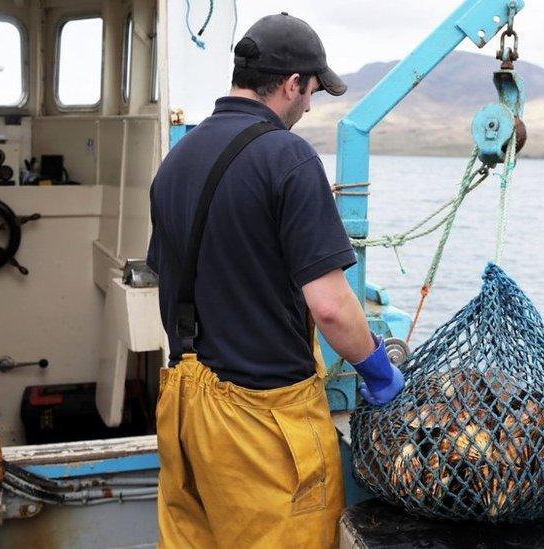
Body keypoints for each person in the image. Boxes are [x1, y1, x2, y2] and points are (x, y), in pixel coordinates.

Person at [146, 13, 405, 549]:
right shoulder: (287, 157)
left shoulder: (178, 159)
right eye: (311, 91)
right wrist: (378, 371)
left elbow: (167, 276)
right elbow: (330, 306)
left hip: (185, 406)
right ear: (291, 85)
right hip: (263, 426)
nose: (310, 105)